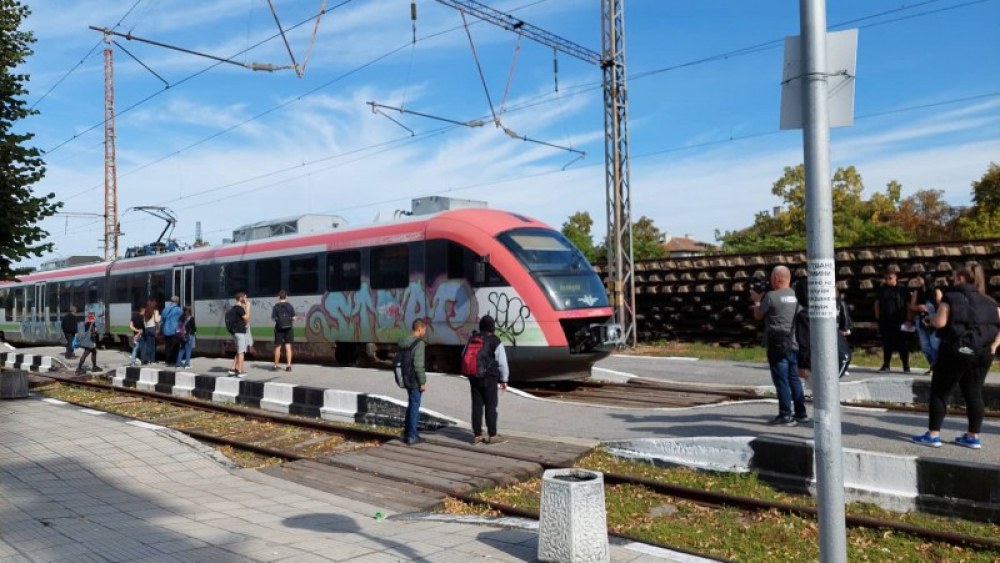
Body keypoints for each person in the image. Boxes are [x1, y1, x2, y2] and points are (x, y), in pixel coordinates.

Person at [913, 263, 1000, 449]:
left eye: (953, 276)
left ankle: (933, 435)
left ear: (961, 278)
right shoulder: (990, 301)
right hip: (983, 352)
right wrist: (994, 345)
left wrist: (929, 320)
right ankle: (973, 437)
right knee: (974, 393)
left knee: (940, 392)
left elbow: (940, 322)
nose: (951, 280)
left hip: (956, 350)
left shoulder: (952, 297)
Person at [750, 265, 808, 425]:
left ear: (776, 279)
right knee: (794, 379)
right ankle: (801, 413)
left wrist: (756, 301)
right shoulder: (797, 297)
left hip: (777, 344)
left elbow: (758, 315)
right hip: (794, 342)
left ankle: (785, 414)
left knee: (781, 380)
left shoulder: (771, 296)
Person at [464, 315, 510, 444]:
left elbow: (464, 355)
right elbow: (502, 363)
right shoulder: (495, 340)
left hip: (474, 377)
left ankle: (477, 435)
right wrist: (504, 379)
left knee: (477, 406)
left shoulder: (473, 338)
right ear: (492, 327)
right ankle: (492, 435)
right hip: (490, 378)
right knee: (491, 406)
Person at [874, 271, 912, 373]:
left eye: (890, 278)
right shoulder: (882, 289)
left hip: (900, 320)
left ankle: (906, 365)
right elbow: (877, 303)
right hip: (886, 320)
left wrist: (909, 319)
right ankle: (886, 365)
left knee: (902, 344)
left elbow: (908, 305)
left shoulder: (903, 289)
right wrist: (878, 318)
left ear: (895, 278)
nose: (887, 280)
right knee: (887, 344)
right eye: (886, 278)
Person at [398, 319, 427, 445]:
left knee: (411, 404)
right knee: (414, 406)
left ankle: (408, 433)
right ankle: (412, 436)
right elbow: (418, 365)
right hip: (414, 379)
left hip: (406, 377)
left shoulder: (404, 341)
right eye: (424, 329)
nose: (425, 332)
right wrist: (422, 382)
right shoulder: (419, 343)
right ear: (419, 329)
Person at [910, 273, 942, 373]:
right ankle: (933, 365)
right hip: (921, 320)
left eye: (919, 279)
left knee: (935, 345)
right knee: (925, 346)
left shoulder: (936, 291)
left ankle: (939, 367)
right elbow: (912, 306)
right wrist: (918, 307)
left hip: (933, 320)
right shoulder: (917, 292)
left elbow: (941, 306)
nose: (917, 281)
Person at [271, 290, 296, 372]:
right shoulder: (290, 306)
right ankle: (288, 366)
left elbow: (273, 318)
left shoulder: (276, 306)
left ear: (279, 297)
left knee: (278, 347)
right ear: (286, 297)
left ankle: (276, 365)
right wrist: (289, 319)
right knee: (288, 347)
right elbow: (293, 318)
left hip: (279, 328)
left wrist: (279, 320)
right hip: (288, 328)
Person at [228, 291, 250, 377]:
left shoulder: (233, 308)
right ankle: (240, 371)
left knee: (238, 351)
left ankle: (232, 369)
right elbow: (246, 318)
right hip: (240, 332)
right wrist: (248, 308)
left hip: (235, 333)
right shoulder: (240, 308)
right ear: (241, 298)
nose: (246, 299)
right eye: (245, 297)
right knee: (241, 352)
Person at [161, 296, 182, 367]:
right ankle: (174, 360)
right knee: (175, 346)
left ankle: (167, 360)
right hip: (175, 331)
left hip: (166, 330)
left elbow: (162, 319)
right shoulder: (179, 310)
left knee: (167, 346)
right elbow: (181, 320)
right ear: (177, 301)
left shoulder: (165, 309)